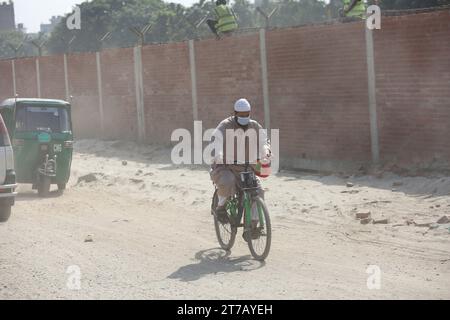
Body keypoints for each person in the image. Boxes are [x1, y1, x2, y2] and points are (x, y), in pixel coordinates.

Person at [209, 99, 271, 226]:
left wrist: (265, 151)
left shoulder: (254, 126)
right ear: (235, 113)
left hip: (247, 167)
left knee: (258, 192)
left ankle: (253, 225)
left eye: (246, 114)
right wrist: (219, 154)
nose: (244, 117)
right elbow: (216, 140)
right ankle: (220, 207)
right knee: (227, 181)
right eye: (241, 115)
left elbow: (264, 140)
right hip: (227, 166)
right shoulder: (225, 125)